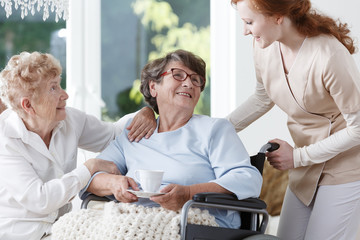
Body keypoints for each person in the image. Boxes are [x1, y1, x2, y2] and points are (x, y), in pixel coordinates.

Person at [81, 49, 263, 228]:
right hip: (135, 221)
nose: (189, 84)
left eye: (195, 79)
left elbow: (247, 178)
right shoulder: (134, 134)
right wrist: (113, 184)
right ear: (153, 87)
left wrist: (189, 193)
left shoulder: (214, 129)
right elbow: (88, 178)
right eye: (178, 75)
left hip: (197, 223)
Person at [229, 0, 360, 239]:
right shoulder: (263, 46)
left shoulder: (329, 55)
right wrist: (218, 130)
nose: (245, 31)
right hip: (304, 167)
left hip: (346, 168)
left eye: (249, 22)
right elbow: (262, 97)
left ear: (278, 16)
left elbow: (358, 129)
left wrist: (297, 157)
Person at [0, 51, 156, 240]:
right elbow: (40, 200)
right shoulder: (5, 139)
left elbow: (114, 134)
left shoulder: (70, 119)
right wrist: (90, 168)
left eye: (59, 84)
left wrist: (147, 112)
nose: (64, 95)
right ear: (28, 105)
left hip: (62, 229)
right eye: (53, 88)